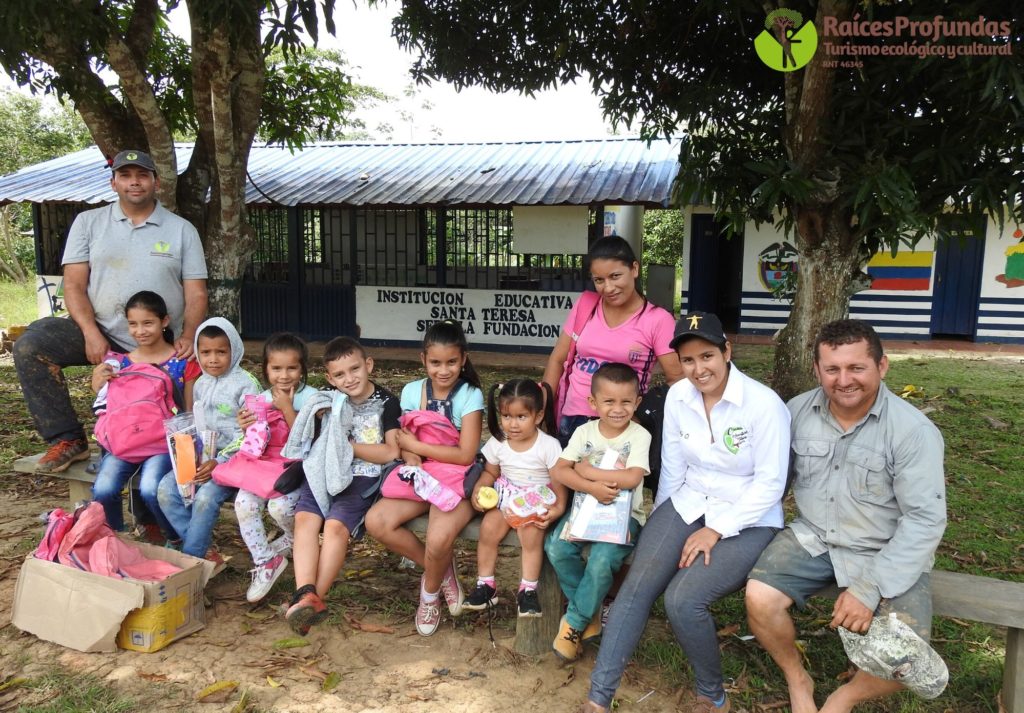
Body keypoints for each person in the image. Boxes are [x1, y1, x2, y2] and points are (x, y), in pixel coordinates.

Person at [582, 312, 791, 713]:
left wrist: (716, 529)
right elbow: (674, 468)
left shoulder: (763, 405)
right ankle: (598, 698)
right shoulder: (679, 397)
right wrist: (662, 527)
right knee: (637, 586)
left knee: (682, 599)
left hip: (747, 516)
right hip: (688, 501)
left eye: (707, 356)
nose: (699, 369)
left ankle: (711, 695)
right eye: (688, 359)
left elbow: (770, 486)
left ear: (727, 351)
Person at [745, 319, 947, 713]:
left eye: (857, 368)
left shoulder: (912, 431)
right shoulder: (795, 412)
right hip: (814, 538)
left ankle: (844, 697)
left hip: (886, 549)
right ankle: (796, 676)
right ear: (817, 369)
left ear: (882, 367)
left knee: (905, 657)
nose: (844, 380)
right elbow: (765, 477)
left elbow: (924, 520)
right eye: (832, 369)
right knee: (759, 598)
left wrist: (868, 588)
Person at [14, 150, 208, 474]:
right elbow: (74, 286)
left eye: (142, 175)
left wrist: (188, 336)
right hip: (101, 331)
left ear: (156, 182)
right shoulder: (88, 223)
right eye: (126, 176)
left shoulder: (181, 229)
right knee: (32, 346)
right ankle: (67, 440)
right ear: (113, 182)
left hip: (159, 338)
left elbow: (196, 291)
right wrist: (90, 333)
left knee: (179, 394)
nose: (135, 182)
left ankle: (168, 479)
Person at [364, 320, 485, 637]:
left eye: (451, 362)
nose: (443, 370)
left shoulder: (470, 395)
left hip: (456, 477)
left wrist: (415, 446)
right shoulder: (411, 391)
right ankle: (442, 571)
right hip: (423, 473)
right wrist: (414, 461)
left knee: (438, 539)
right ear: (423, 360)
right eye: (435, 363)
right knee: (377, 522)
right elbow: (404, 444)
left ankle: (428, 596)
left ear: (463, 359)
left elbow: (465, 454)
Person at [283, 337, 401, 634]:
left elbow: (390, 452)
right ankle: (304, 594)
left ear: (368, 365)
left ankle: (312, 600)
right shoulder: (327, 399)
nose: (349, 379)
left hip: (364, 477)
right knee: (305, 519)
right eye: (339, 374)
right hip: (324, 471)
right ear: (329, 377)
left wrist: (348, 447)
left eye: (355, 369)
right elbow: (303, 425)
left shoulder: (387, 402)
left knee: (335, 527)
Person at [545, 362, 651, 662]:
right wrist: (590, 487)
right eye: (609, 401)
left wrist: (588, 470)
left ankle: (574, 623)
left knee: (602, 560)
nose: (618, 409)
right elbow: (561, 470)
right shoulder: (584, 431)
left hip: (625, 518)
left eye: (626, 402)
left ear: (637, 402)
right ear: (593, 403)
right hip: (585, 510)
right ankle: (589, 612)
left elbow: (632, 478)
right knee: (555, 547)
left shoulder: (638, 435)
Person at [542, 235, 682, 446]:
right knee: (568, 477)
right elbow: (557, 359)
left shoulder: (658, 320)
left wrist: (642, 414)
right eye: (599, 280)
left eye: (615, 276)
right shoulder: (585, 305)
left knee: (610, 480)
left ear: (634, 269)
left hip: (621, 425)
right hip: (572, 419)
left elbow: (677, 378)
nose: (608, 288)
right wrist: (542, 407)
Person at [213, 333, 318, 603]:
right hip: (261, 469)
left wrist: (286, 409)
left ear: (303, 368)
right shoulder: (259, 398)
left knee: (279, 508)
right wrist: (246, 425)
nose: (284, 375)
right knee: (244, 505)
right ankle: (265, 562)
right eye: (276, 368)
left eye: (292, 368)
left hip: (296, 468)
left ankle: (298, 539)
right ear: (266, 369)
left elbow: (309, 441)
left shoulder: (311, 398)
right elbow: (253, 440)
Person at [89, 291, 202, 542]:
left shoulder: (183, 361)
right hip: (123, 442)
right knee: (103, 488)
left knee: (152, 490)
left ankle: (174, 538)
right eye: (133, 324)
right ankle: (114, 538)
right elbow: (107, 404)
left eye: (147, 323)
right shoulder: (117, 364)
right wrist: (96, 383)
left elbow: (190, 412)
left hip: (162, 444)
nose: (140, 331)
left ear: (164, 321)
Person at [157, 317, 261, 559]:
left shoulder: (247, 385)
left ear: (234, 350)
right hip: (202, 458)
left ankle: (191, 559)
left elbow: (253, 435)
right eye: (205, 352)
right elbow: (197, 422)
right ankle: (203, 552)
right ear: (198, 353)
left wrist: (220, 461)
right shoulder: (200, 383)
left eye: (221, 352)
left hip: (235, 462)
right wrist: (190, 453)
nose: (213, 359)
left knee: (204, 497)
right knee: (165, 489)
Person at [464, 379, 568, 618]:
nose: (513, 424)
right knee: (488, 528)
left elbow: (559, 479)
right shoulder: (499, 442)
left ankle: (528, 590)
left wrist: (559, 507)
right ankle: (486, 585)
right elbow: (491, 471)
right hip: (506, 498)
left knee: (530, 533)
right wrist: (480, 490)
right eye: (507, 416)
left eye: (521, 417)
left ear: (538, 416)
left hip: (535, 501)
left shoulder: (548, 446)